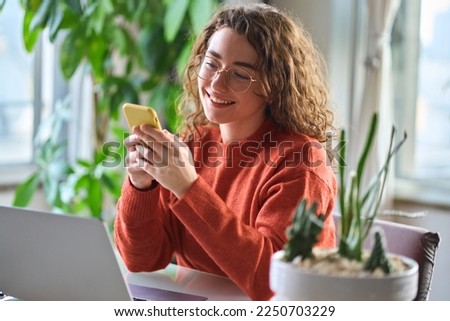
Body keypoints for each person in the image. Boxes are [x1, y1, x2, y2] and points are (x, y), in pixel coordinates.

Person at [114, 3, 337, 301]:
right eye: (211, 63)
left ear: (273, 86)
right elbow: (141, 261)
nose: (217, 83)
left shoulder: (302, 164)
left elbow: (271, 284)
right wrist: (141, 186)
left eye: (240, 75)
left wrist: (188, 188)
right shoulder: (193, 144)